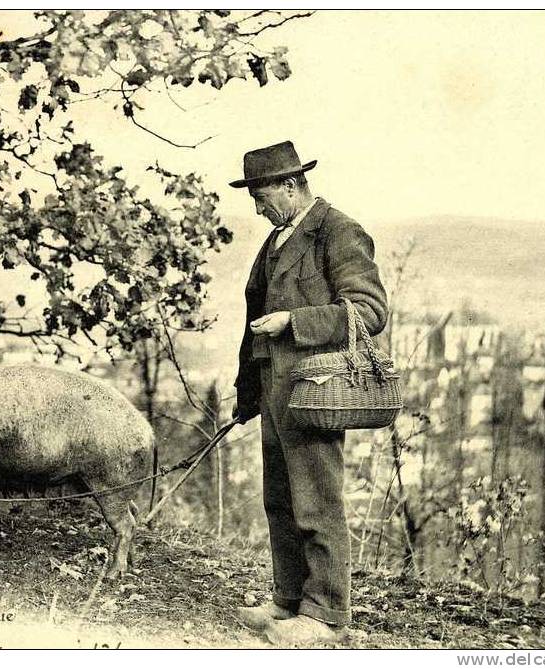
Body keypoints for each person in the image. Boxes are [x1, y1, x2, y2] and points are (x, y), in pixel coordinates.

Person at [229, 141, 388, 646]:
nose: (257, 208)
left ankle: (325, 616)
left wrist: (295, 322)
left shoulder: (337, 231)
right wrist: (247, 392)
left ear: (292, 186)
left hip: (318, 389)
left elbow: (368, 311)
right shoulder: (275, 242)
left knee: (317, 499)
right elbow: (254, 324)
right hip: (276, 386)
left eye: (261, 195)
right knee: (280, 497)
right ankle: (287, 601)